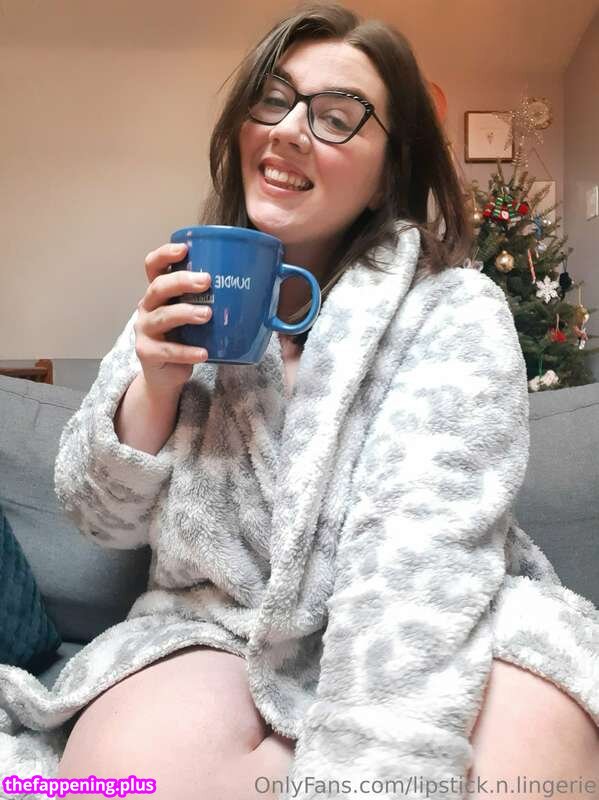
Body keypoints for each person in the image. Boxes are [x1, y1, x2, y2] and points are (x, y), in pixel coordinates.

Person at [1, 4, 597, 799]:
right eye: (271, 100)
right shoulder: (182, 300)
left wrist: (373, 765)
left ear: (389, 169)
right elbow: (99, 520)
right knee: (123, 772)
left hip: (434, 615)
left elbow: (418, 560)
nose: (286, 130)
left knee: (527, 756)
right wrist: (155, 382)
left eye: (336, 117)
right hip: (215, 627)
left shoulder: (452, 310)